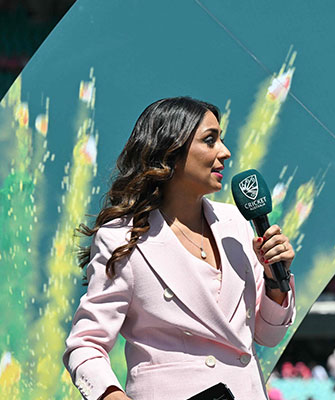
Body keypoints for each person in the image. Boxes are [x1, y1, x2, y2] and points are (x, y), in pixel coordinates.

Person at [63, 97, 296, 400]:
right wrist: (112, 396)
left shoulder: (237, 225)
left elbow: (268, 335)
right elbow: (85, 345)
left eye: (221, 140)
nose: (225, 153)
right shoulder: (123, 237)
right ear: (170, 150)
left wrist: (275, 281)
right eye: (210, 140)